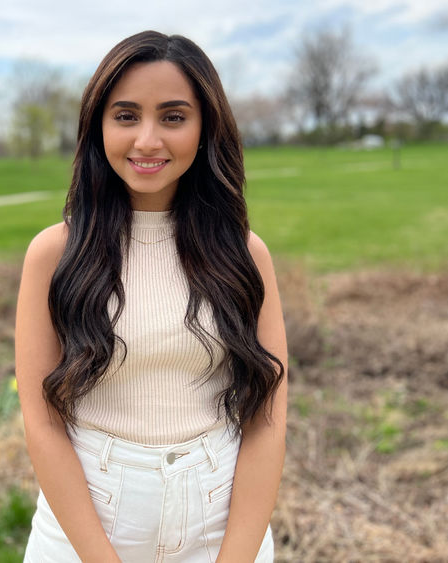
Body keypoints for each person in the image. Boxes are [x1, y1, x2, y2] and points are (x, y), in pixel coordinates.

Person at [15, 30, 287, 563]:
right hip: (86, 525)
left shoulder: (246, 255)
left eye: (173, 116)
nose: (146, 140)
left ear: (205, 127)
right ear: (98, 126)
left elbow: (267, 417)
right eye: (125, 115)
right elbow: (41, 420)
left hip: (220, 521)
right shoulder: (55, 253)